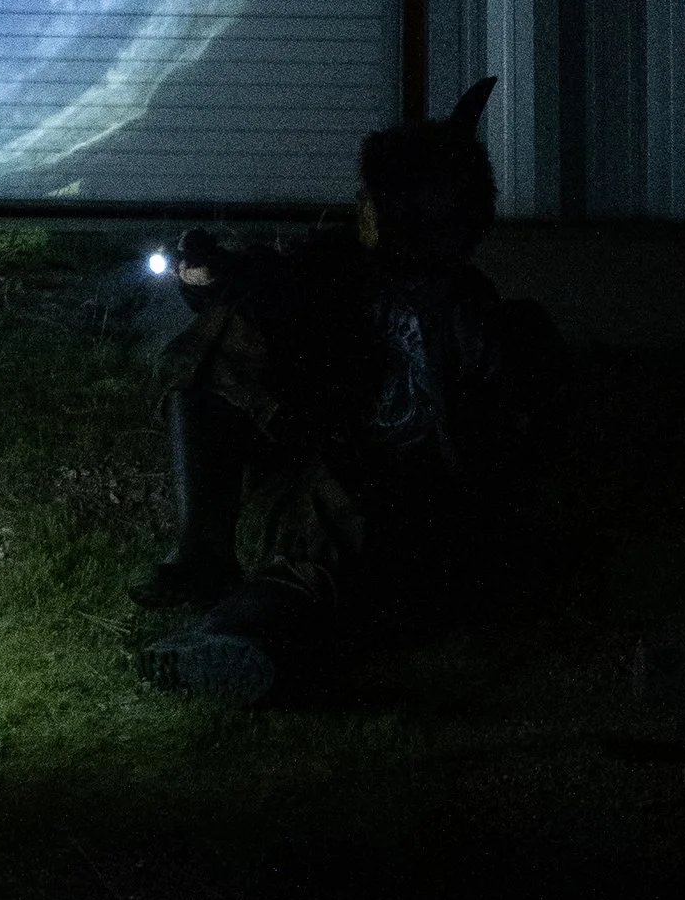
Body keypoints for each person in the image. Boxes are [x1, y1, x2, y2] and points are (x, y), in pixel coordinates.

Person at [134, 78, 567, 705]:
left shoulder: (473, 317)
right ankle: (203, 551)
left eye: (374, 196)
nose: (359, 204)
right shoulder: (342, 266)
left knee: (330, 553)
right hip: (328, 450)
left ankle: (227, 644)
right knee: (226, 335)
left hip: (404, 503)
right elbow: (274, 283)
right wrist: (210, 277)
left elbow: (504, 453)